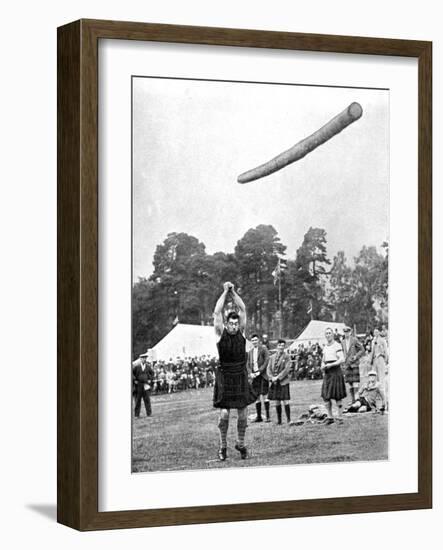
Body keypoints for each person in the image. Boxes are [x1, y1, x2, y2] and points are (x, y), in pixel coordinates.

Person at [213, 282, 256, 461]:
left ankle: (240, 443)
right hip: (225, 375)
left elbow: (243, 310)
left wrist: (234, 292)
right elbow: (217, 312)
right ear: (226, 324)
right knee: (224, 414)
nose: (233, 326)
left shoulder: (242, 332)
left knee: (243, 411)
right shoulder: (220, 333)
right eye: (230, 323)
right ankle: (223, 447)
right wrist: (224, 292)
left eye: (235, 324)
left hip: (240, 375)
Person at [321, 327, 346, 424]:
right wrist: (322, 365)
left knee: (337, 396)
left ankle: (340, 418)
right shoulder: (325, 347)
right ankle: (330, 417)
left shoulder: (337, 345)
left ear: (333, 334)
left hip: (335, 371)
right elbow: (323, 360)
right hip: (327, 373)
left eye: (329, 333)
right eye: (326, 333)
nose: (328, 335)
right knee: (326, 396)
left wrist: (331, 364)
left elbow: (342, 359)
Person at [246, 334, 271, 422]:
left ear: (258, 340)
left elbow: (266, 360)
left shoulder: (263, 349)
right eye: (252, 340)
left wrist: (259, 371)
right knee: (256, 396)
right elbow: (248, 364)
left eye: (256, 340)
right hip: (254, 377)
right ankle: (259, 417)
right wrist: (250, 373)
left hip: (262, 375)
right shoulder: (250, 352)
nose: (254, 342)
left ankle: (268, 417)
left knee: (265, 395)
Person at [267, 339, 292, 424]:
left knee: (285, 400)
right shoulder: (272, 357)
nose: (281, 347)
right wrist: (271, 377)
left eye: (283, 346)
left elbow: (286, 369)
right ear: (277, 346)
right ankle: (279, 420)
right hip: (274, 382)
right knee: (277, 400)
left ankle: (288, 419)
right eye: (279, 345)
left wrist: (278, 377)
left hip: (283, 381)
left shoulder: (287, 357)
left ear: (284, 347)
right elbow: (268, 369)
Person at [342, 326, 364, 403]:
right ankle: (352, 400)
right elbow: (343, 353)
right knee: (350, 383)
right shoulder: (343, 342)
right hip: (347, 365)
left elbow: (362, 349)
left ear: (350, 332)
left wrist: (356, 356)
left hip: (354, 364)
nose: (346, 333)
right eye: (345, 332)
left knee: (355, 383)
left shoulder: (354, 340)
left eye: (347, 332)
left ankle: (357, 400)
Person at [132, 352, 154, 418]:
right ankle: (136, 415)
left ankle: (149, 413)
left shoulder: (148, 367)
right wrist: (134, 380)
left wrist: (150, 379)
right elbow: (132, 374)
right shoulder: (137, 367)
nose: (144, 359)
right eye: (143, 358)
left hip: (146, 385)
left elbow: (152, 373)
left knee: (147, 399)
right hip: (138, 385)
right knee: (138, 400)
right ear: (140, 359)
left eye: (145, 358)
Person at [370, 328, 389, 394]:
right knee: (374, 376)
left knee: (381, 376)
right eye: (375, 332)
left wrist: (386, 360)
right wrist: (371, 360)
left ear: (379, 332)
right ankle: (376, 392)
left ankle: (382, 392)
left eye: (377, 332)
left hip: (380, 358)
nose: (376, 333)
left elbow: (386, 351)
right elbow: (372, 351)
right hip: (375, 359)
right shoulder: (373, 340)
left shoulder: (383, 340)